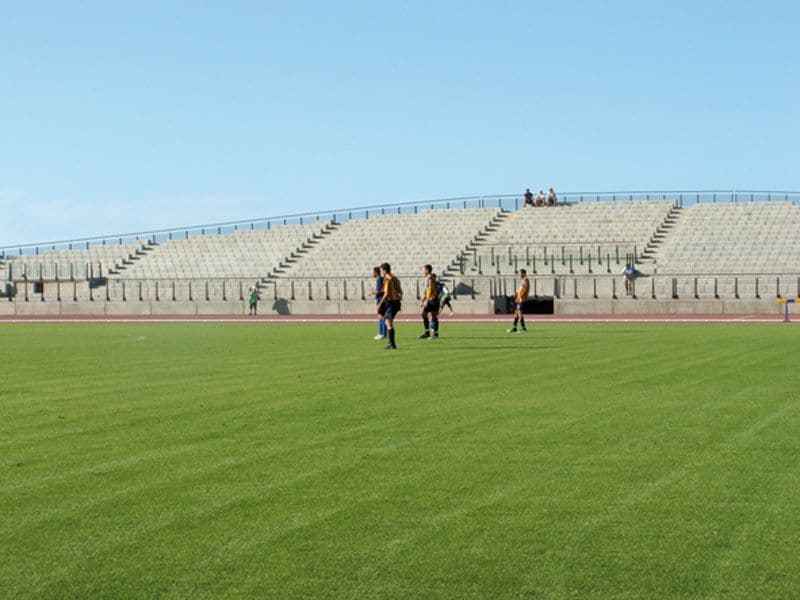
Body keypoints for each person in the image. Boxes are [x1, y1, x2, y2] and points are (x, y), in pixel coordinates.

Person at [377, 262, 403, 350]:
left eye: (381, 270)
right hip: (395, 302)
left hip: (391, 303)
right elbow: (400, 291)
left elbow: (386, 293)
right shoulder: (395, 278)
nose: (381, 272)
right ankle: (391, 344)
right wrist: (398, 298)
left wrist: (380, 303)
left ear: (385, 270)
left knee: (388, 323)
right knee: (388, 322)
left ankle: (392, 344)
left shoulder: (388, 279)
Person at [419, 264, 441, 339]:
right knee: (425, 315)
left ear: (427, 270)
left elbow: (430, 290)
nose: (423, 271)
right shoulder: (429, 278)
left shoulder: (430, 278)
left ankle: (434, 333)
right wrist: (423, 299)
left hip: (432, 300)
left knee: (431, 315)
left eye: (424, 270)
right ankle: (428, 332)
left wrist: (426, 301)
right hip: (432, 299)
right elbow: (427, 290)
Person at [507, 269, 530, 333]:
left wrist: (520, 296)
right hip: (519, 299)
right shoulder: (523, 280)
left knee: (519, 312)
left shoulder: (526, 280)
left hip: (522, 299)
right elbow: (521, 289)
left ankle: (524, 328)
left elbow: (525, 289)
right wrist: (516, 294)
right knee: (516, 313)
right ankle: (514, 327)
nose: (519, 275)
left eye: (520, 273)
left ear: (523, 273)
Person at [372, 266, 387, 340]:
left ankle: (382, 334)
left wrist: (373, 292)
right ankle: (382, 333)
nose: (372, 274)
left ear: (376, 272)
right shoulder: (380, 279)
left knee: (381, 316)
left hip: (380, 300)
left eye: (373, 272)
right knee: (381, 316)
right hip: (380, 299)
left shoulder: (379, 279)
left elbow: (379, 291)